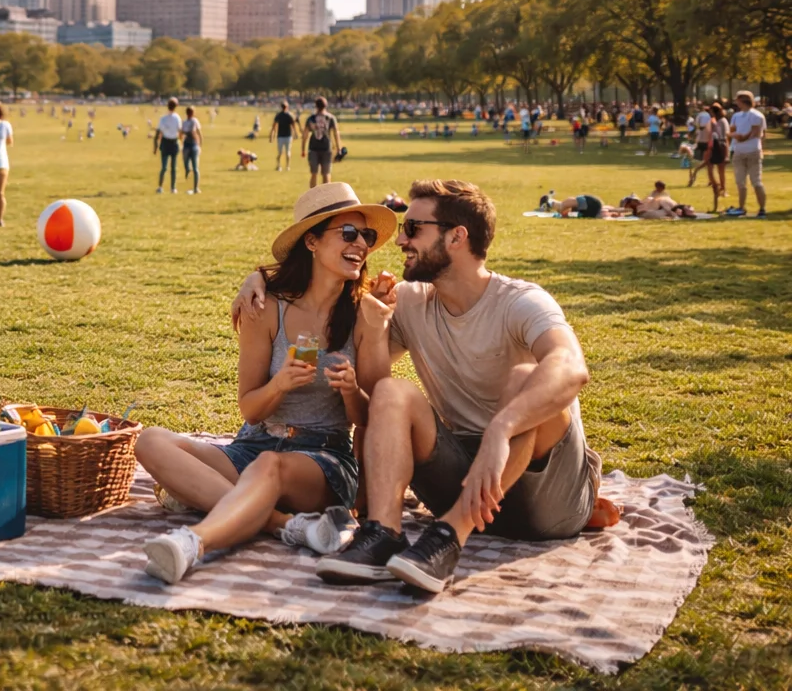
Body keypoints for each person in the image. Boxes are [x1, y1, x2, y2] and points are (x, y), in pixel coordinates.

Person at [237, 179, 605, 594]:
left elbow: (571, 367)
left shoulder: (521, 301)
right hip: (461, 477)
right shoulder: (411, 302)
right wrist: (260, 281)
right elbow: (346, 342)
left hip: (549, 500)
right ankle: (382, 534)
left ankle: (449, 537)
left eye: (413, 229)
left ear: (457, 237)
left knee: (525, 377)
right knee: (392, 393)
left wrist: (501, 430)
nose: (400, 242)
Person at [138, 183, 392, 583]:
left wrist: (350, 391)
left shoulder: (367, 316)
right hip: (254, 444)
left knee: (269, 467)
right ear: (311, 241)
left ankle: (192, 542)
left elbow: (375, 417)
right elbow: (250, 409)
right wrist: (280, 385)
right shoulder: (266, 307)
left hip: (322, 458)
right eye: (348, 233)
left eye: (367, 236)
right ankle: (285, 525)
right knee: (150, 441)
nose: (360, 244)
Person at [727, 91, 767, 218]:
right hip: (739, 151)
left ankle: (762, 209)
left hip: (752, 151)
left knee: (756, 181)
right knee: (740, 182)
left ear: (742, 101)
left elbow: (756, 133)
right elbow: (732, 131)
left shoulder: (756, 115)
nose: (736, 102)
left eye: (737, 100)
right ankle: (741, 207)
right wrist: (734, 136)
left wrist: (741, 138)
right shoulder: (736, 116)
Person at [304, 97, 340, 188]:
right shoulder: (331, 118)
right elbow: (336, 133)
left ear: (316, 106)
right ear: (326, 105)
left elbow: (305, 134)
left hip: (313, 148)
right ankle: (326, 195)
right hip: (326, 148)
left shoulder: (311, 118)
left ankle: (313, 194)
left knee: (314, 174)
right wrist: (338, 148)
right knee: (326, 174)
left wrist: (303, 148)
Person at [153, 98, 182, 194]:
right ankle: (173, 188)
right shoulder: (177, 118)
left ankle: (160, 187)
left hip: (166, 142)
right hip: (173, 142)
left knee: (164, 167)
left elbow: (158, 133)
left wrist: (155, 147)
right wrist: (181, 142)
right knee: (173, 167)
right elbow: (180, 132)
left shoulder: (163, 118)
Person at [181, 107, 203, 195]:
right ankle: (195, 188)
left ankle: (189, 183)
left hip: (186, 145)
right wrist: (200, 144)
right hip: (194, 145)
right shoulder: (195, 121)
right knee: (196, 168)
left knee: (187, 166)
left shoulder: (184, 122)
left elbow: (181, 133)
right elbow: (198, 133)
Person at [269, 101, 295, 171]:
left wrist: (271, 135)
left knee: (280, 153)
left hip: (281, 136)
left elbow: (274, 126)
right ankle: (287, 166)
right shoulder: (289, 115)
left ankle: (279, 166)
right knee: (287, 152)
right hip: (287, 136)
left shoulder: (279, 115)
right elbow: (293, 125)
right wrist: (295, 133)